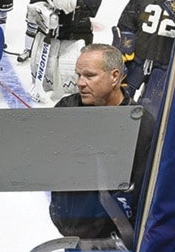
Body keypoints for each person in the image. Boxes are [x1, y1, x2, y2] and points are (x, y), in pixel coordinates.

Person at [49, 44, 156, 246]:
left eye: (89, 76)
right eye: (78, 75)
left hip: (113, 240)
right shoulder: (67, 108)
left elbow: (142, 191)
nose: (80, 83)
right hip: (70, 232)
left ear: (115, 77)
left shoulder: (141, 124)